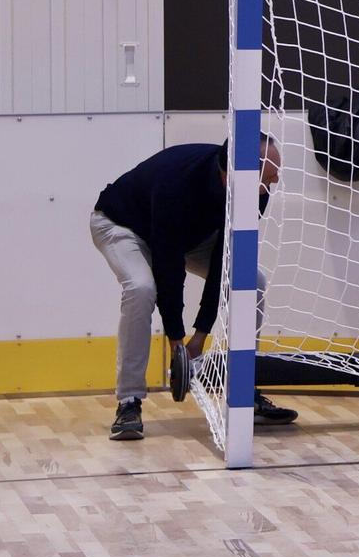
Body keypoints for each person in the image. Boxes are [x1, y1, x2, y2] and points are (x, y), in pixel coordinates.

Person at [90, 134, 298, 440]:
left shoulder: (257, 192)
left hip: (189, 236)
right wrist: (177, 344)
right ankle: (129, 402)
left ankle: (242, 392)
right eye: (269, 175)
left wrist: (200, 337)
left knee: (251, 281)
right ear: (235, 175)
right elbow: (168, 267)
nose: (276, 180)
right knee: (142, 288)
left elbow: (224, 260)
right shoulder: (178, 185)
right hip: (123, 225)